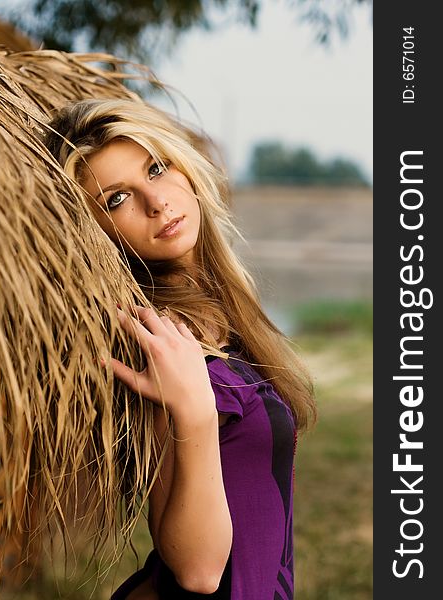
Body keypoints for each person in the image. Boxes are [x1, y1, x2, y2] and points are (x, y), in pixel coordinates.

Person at [44, 98, 316, 600]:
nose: (157, 201)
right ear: (94, 234)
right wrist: (193, 413)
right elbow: (197, 571)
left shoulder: (221, 311)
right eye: (116, 200)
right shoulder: (160, 338)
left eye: (156, 168)